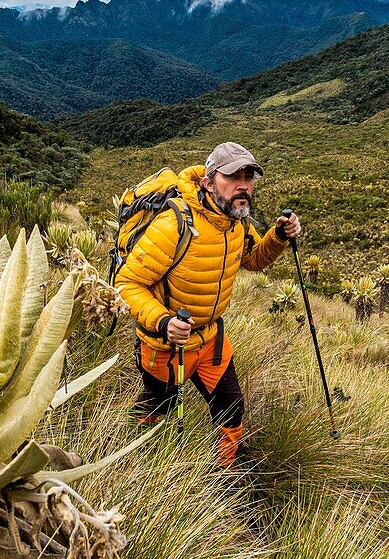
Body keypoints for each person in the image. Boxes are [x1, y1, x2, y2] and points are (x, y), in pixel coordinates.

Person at [114, 142, 301, 466]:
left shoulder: (236, 222)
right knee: (160, 406)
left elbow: (253, 260)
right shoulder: (174, 226)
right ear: (208, 182)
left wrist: (278, 236)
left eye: (249, 177)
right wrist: (162, 321)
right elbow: (127, 283)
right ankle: (138, 456)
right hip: (165, 344)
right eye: (233, 177)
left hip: (211, 339)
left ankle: (225, 472)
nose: (243, 185)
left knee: (232, 407)